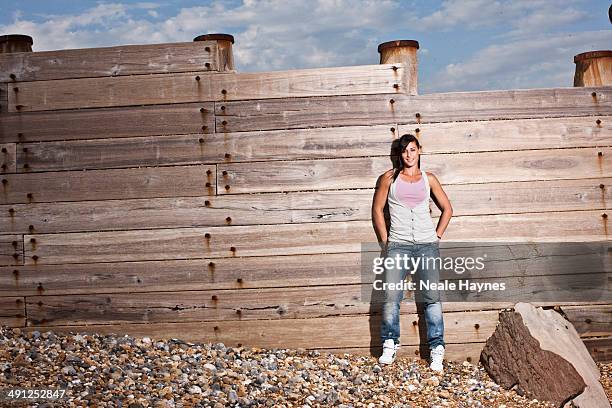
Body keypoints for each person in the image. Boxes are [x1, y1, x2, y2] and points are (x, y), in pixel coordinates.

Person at [371, 134, 453, 371]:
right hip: (398, 245)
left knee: (431, 299)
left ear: (419, 151)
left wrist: (436, 236)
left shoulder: (429, 179)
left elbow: (447, 209)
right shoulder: (389, 179)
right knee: (391, 297)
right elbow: (378, 210)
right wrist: (387, 242)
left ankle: (437, 348)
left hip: (427, 245)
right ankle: (389, 342)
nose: (409, 155)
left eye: (413, 150)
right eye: (405, 150)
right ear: (400, 153)